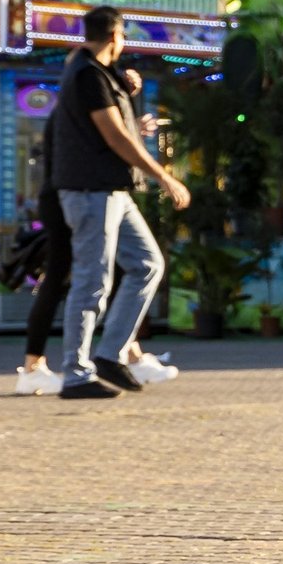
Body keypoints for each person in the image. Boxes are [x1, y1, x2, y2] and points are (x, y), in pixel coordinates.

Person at [50, 6, 191, 399]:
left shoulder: (96, 72)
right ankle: (76, 374)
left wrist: (126, 87)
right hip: (90, 191)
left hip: (112, 190)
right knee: (92, 281)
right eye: (123, 36)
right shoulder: (88, 76)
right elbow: (114, 137)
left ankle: (111, 353)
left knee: (148, 263)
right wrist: (163, 176)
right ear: (116, 36)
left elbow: (116, 127)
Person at [17, 106, 176, 394]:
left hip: (80, 195)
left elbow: (107, 138)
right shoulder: (78, 97)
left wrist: (131, 127)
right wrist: (159, 173)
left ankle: (126, 354)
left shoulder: (87, 96)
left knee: (122, 271)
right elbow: (104, 140)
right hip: (68, 197)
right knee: (66, 277)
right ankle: (36, 367)